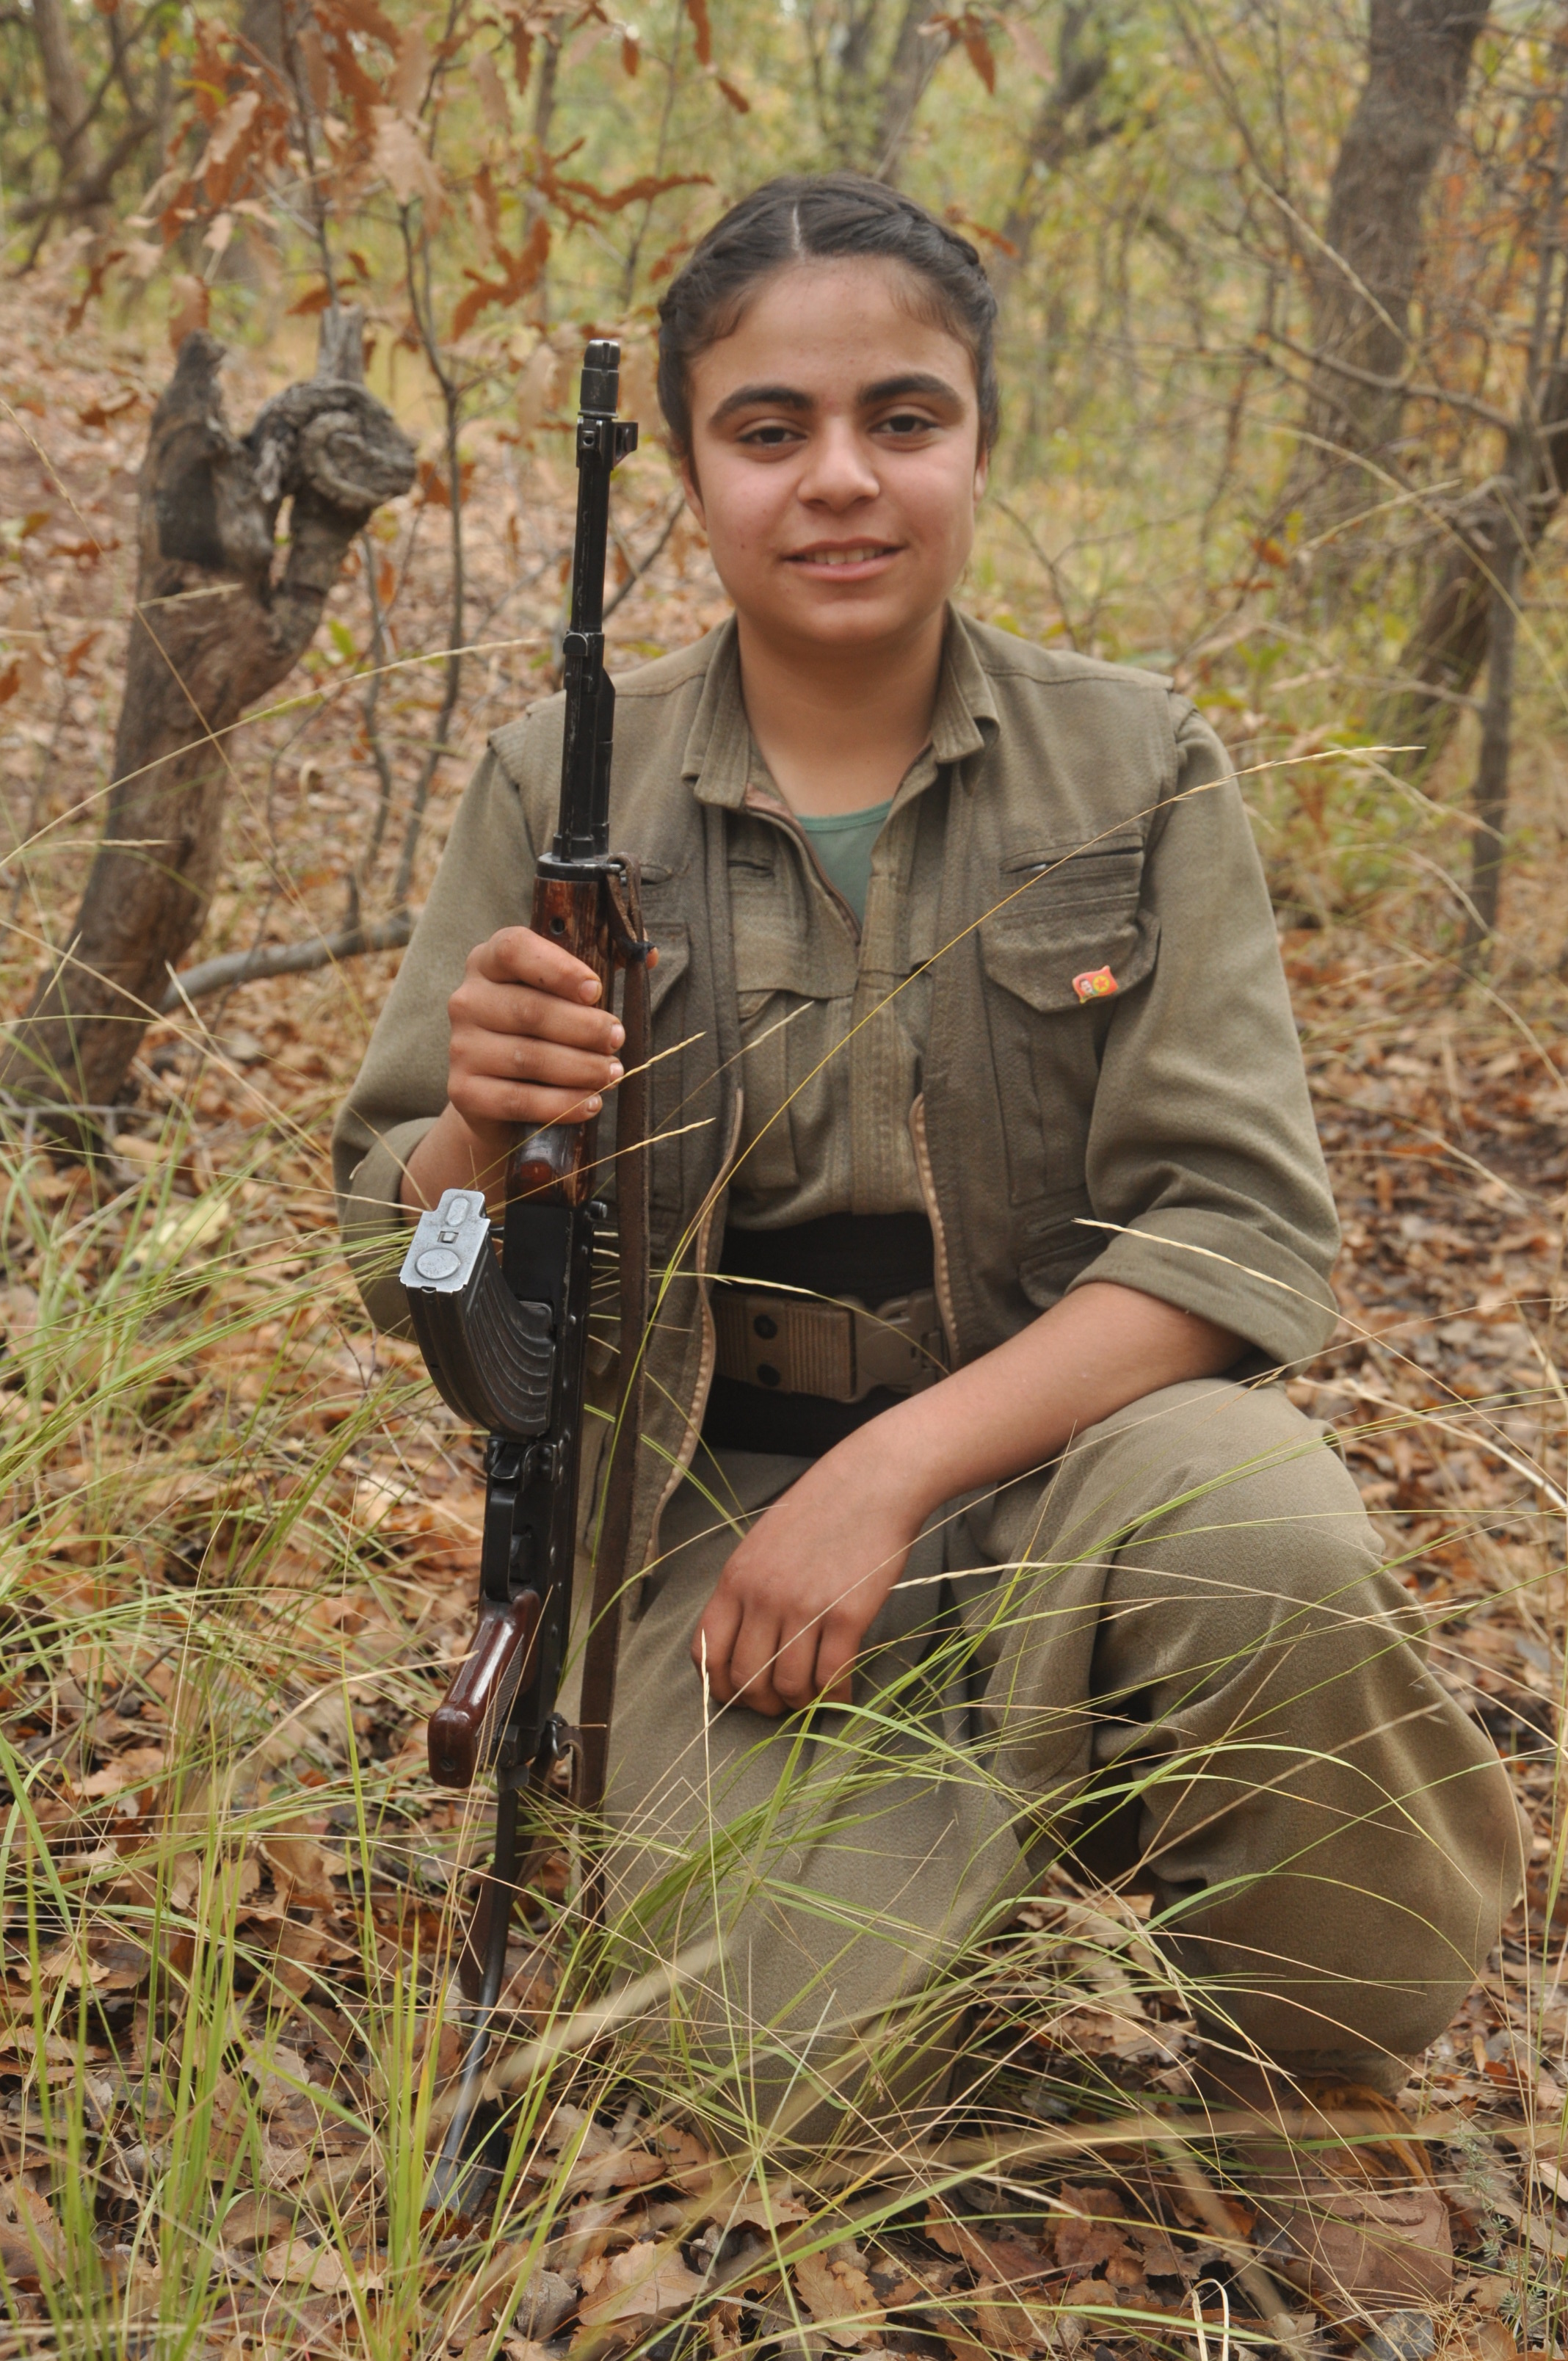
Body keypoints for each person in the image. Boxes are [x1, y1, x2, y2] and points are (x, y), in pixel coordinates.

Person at [335, 174, 1522, 2315]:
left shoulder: (1133, 763)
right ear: (689, 469)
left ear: (981, 438)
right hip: (708, 1518)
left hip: (1076, 1465)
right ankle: (952, 1875)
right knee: (782, 2072)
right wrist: (473, 1138)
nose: (841, 479)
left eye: (904, 416)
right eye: (769, 429)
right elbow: (405, 1274)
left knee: (1267, 1530)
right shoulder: (558, 786)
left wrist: (891, 1475)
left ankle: (1308, 2065)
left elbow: (1239, 1223)